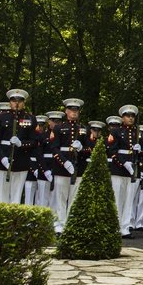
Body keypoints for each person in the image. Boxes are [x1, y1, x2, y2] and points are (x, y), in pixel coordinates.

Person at [47, 98, 90, 234]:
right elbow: (54, 148)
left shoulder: (84, 129)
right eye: (71, 110)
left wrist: (82, 148)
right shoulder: (59, 128)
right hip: (62, 167)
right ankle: (60, 223)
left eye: (76, 110)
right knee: (61, 196)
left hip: (79, 168)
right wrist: (64, 162)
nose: (74, 112)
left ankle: (70, 223)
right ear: (66, 111)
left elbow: (90, 148)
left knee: (74, 196)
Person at [0, 89, 40, 204]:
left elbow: (35, 141)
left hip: (21, 161)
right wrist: (2, 158)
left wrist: (21, 144)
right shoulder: (1, 118)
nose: (17, 103)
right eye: (14, 101)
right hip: (3, 161)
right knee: (2, 196)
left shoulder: (30, 119)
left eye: (20, 101)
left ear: (23, 103)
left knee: (16, 197)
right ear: (10, 103)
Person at [107, 104, 141, 238]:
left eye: (132, 116)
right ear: (122, 118)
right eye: (128, 116)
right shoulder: (116, 132)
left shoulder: (138, 133)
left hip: (132, 169)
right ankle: (115, 226)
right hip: (118, 169)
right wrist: (124, 163)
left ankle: (125, 227)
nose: (130, 119)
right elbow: (112, 151)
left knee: (128, 199)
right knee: (117, 198)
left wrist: (140, 151)